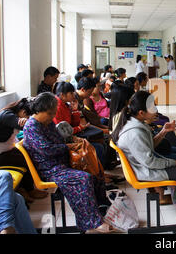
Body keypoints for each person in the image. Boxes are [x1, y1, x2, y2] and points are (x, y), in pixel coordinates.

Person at [113, 91, 176, 227]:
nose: (156, 111)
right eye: (152, 108)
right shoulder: (134, 133)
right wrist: (174, 162)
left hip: (146, 165)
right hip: (146, 170)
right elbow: (150, 161)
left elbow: (149, 147)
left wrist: (163, 132)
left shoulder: (136, 124)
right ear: (141, 113)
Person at [22, 92, 115, 233]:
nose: (53, 117)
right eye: (50, 114)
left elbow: (60, 139)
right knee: (83, 179)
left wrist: (71, 142)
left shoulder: (46, 123)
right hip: (50, 169)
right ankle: (92, 222)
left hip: (62, 163)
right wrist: (67, 147)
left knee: (95, 170)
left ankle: (102, 210)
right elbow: (46, 150)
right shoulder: (32, 126)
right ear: (39, 110)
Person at [0, 98, 48, 203]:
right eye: (28, 116)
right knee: (27, 160)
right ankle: (30, 190)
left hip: (5, 151)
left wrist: (26, 121)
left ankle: (25, 188)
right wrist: (27, 122)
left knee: (30, 154)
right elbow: (28, 126)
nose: (29, 118)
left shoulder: (11, 115)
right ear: (23, 112)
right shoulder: (7, 116)